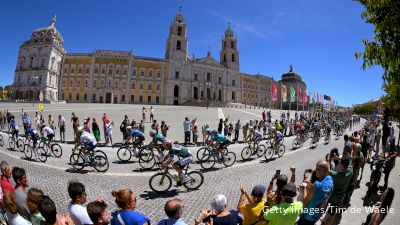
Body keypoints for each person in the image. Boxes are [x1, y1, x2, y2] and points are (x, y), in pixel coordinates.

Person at [321, 158, 353, 225]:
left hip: (334, 196)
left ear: (342, 165)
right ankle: (325, 219)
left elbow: (328, 170)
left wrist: (328, 164)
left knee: (327, 208)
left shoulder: (338, 175)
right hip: (340, 197)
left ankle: (324, 221)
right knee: (332, 212)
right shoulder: (350, 170)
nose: (339, 165)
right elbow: (349, 164)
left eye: (340, 164)